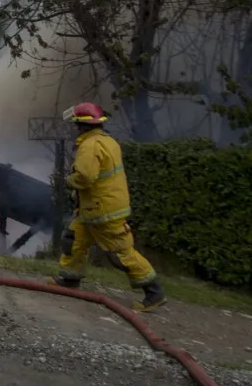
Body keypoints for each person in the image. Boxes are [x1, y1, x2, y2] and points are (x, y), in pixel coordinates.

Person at [48, 102, 167, 312]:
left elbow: (85, 177)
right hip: (93, 209)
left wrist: (67, 182)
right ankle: (69, 280)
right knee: (74, 239)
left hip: (103, 211)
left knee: (120, 253)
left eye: (76, 125)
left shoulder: (89, 146)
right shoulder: (108, 142)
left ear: (82, 126)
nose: (75, 129)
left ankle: (154, 292)